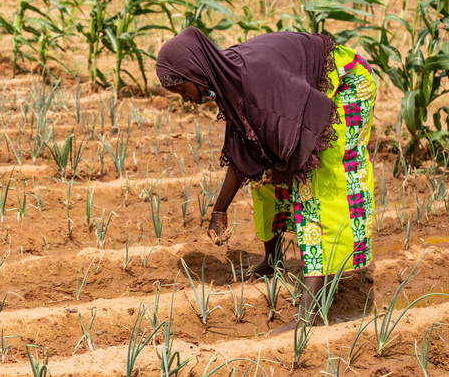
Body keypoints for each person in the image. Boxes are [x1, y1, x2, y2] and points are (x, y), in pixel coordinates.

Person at [156, 27, 376, 333]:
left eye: (184, 91)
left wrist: (283, 169)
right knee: (263, 175)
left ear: (195, 71)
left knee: (315, 188)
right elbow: (243, 152)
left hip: (345, 84)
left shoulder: (253, 79)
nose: (187, 100)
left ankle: (308, 313)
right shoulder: (226, 79)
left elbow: (307, 128)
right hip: (299, 98)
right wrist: (219, 210)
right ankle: (272, 260)